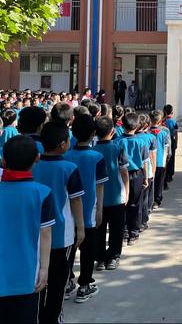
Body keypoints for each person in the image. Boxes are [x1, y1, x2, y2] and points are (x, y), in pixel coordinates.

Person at [33, 122, 85, 322]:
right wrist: (81, 227)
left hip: (38, 233)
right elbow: (76, 199)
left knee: (40, 279)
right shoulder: (70, 168)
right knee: (58, 281)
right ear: (64, 144)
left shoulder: (34, 165)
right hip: (62, 233)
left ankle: (40, 316)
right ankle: (54, 317)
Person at [0, 136, 55, 324]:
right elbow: (46, 233)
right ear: (37, 158)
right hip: (28, 276)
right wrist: (45, 268)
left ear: (4, 160)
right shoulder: (43, 193)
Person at [65, 114, 108, 303]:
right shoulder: (97, 157)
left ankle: (66, 283)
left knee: (70, 250)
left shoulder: (65, 155)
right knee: (88, 251)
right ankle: (84, 286)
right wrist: (100, 209)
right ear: (93, 134)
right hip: (89, 211)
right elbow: (99, 186)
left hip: (68, 213)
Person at [93, 117, 129, 271]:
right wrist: (127, 191)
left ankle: (100, 259)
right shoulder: (118, 147)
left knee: (99, 230)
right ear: (113, 131)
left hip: (97, 199)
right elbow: (124, 172)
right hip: (116, 195)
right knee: (116, 229)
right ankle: (113, 257)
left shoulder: (92, 151)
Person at [118, 112, 150, 246]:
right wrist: (146, 178)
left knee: (122, 204)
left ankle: (124, 232)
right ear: (137, 126)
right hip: (137, 174)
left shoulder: (117, 141)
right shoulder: (141, 141)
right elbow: (145, 162)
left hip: (121, 174)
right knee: (136, 204)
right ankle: (134, 233)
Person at [136, 114, 157, 230]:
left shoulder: (132, 137)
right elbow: (153, 157)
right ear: (147, 125)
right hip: (147, 171)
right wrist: (152, 172)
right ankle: (143, 221)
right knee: (145, 199)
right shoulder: (150, 137)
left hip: (136, 172)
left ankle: (137, 222)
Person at [150, 110, 170, 207]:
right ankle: (157, 200)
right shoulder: (164, 133)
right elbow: (166, 148)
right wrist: (166, 159)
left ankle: (150, 199)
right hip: (160, 162)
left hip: (149, 162)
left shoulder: (147, 133)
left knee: (151, 181)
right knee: (159, 182)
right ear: (160, 121)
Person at [163, 104, 178, 187]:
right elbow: (176, 133)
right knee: (171, 158)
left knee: (165, 158)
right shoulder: (173, 121)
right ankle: (170, 175)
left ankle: (165, 175)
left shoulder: (162, 121)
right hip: (171, 140)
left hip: (163, 141)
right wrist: (176, 143)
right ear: (171, 111)